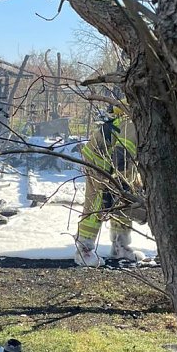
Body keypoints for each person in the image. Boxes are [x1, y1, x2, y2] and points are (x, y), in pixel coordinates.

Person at [74, 106, 147, 267]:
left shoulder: (137, 120)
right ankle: (84, 250)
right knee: (98, 202)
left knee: (123, 202)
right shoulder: (132, 122)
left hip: (112, 163)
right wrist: (121, 185)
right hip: (99, 162)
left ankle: (120, 247)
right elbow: (122, 155)